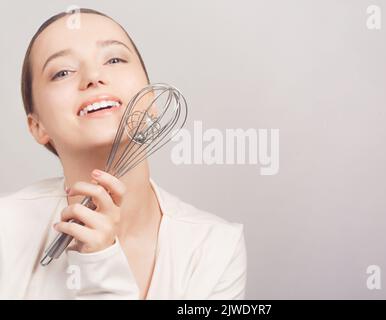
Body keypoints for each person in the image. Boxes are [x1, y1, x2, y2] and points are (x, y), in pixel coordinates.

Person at [0, 8, 246, 300]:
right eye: (62, 71)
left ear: (151, 99)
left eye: (114, 59)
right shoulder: (7, 229)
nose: (93, 76)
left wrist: (101, 263)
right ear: (37, 126)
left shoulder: (214, 247)